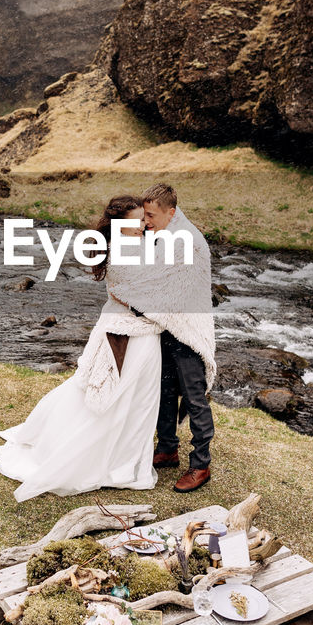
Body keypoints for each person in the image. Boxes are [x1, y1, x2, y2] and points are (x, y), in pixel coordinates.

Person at [0, 195, 162, 502]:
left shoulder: (137, 246)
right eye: (137, 221)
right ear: (121, 225)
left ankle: (126, 457)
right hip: (129, 336)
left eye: (144, 220)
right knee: (117, 400)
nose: (143, 225)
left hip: (141, 334)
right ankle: (110, 460)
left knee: (138, 402)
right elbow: (143, 302)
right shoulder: (123, 254)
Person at [108, 183, 216, 493]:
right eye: (144, 216)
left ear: (171, 212)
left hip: (188, 330)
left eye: (151, 216)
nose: (146, 222)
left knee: (194, 398)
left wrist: (128, 296)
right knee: (164, 391)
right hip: (165, 327)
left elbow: (173, 290)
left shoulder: (188, 242)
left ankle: (200, 465)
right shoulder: (163, 232)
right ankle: (168, 448)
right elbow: (152, 278)